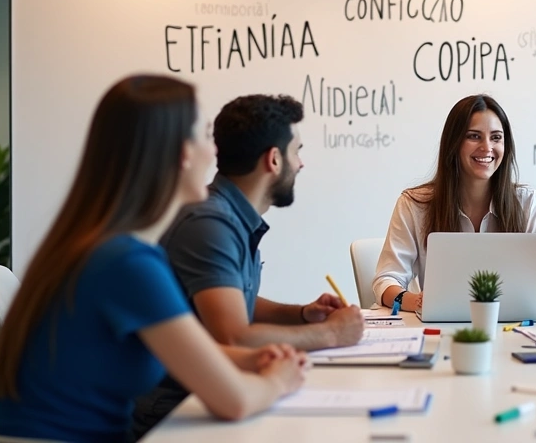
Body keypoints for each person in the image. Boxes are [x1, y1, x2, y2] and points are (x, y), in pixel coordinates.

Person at [0, 76, 305, 443]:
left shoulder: (101, 244)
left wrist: (254, 359)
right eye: (204, 135)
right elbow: (235, 401)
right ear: (182, 152)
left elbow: (189, 352)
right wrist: (279, 380)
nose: (214, 153)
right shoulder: (128, 264)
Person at [131, 94, 363, 437]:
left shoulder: (229, 216)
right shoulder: (209, 224)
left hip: (209, 395)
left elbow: (234, 305)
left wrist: (301, 314)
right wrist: (331, 334)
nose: (300, 164)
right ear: (273, 160)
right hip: (178, 413)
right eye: (297, 151)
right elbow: (234, 336)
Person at [373, 94, 536, 311]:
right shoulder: (414, 205)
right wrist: (416, 301)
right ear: (454, 144)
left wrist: (529, 296)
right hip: (439, 331)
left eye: (496, 138)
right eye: (474, 136)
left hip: (514, 326)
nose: (487, 148)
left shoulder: (528, 203)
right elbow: (386, 280)